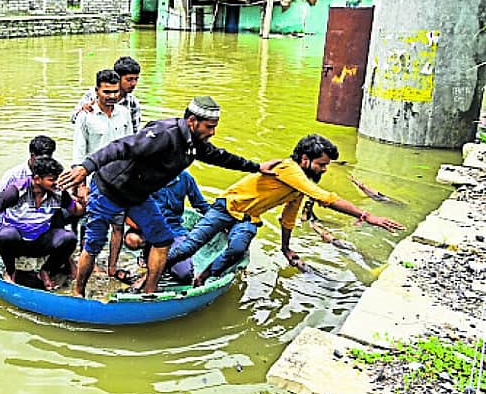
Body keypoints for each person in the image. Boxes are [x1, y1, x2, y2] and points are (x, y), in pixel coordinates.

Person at [57, 96, 279, 297]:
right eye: (209, 127)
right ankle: (79, 292)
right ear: (192, 121)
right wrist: (86, 167)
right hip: (109, 190)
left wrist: (257, 167)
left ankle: (150, 292)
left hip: (138, 195)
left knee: (163, 240)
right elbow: (122, 146)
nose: (212, 132)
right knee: (93, 245)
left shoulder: (194, 144)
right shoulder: (164, 133)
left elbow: (221, 157)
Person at [166, 134, 405, 287]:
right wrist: (366, 215)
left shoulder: (300, 185)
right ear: (304, 159)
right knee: (189, 247)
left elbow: (288, 219)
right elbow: (324, 198)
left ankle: (204, 277)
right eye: (321, 165)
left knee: (237, 249)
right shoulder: (289, 169)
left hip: (249, 217)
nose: (323, 170)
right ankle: (151, 270)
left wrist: (285, 248)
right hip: (227, 207)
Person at [0, 157, 85, 290]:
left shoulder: (59, 193)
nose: (56, 183)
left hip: (40, 240)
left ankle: (45, 270)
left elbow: (76, 211)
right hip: (16, 243)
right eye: (51, 180)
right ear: (37, 179)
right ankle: (10, 272)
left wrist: (84, 200)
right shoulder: (15, 191)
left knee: (69, 238)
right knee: (6, 235)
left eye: (57, 179)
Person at [72, 69, 133, 282]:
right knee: (90, 223)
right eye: (106, 91)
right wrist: (81, 185)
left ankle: (112, 266)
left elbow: (131, 147)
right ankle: (88, 263)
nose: (111, 96)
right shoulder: (85, 116)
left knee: (118, 225)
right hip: (94, 181)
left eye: (115, 92)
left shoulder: (124, 113)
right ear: (96, 90)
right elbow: (79, 153)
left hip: (120, 181)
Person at [124, 169, 210, 283]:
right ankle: (147, 251)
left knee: (185, 275)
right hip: (147, 228)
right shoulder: (143, 176)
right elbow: (124, 208)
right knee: (132, 240)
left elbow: (200, 204)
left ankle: (166, 260)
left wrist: (221, 221)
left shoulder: (184, 177)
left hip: (173, 230)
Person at [71, 56, 142, 133]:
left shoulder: (132, 103)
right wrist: (83, 110)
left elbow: (134, 133)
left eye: (136, 79)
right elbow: (74, 119)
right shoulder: (93, 95)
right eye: (129, 79)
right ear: (118, 78)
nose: (134, 83)